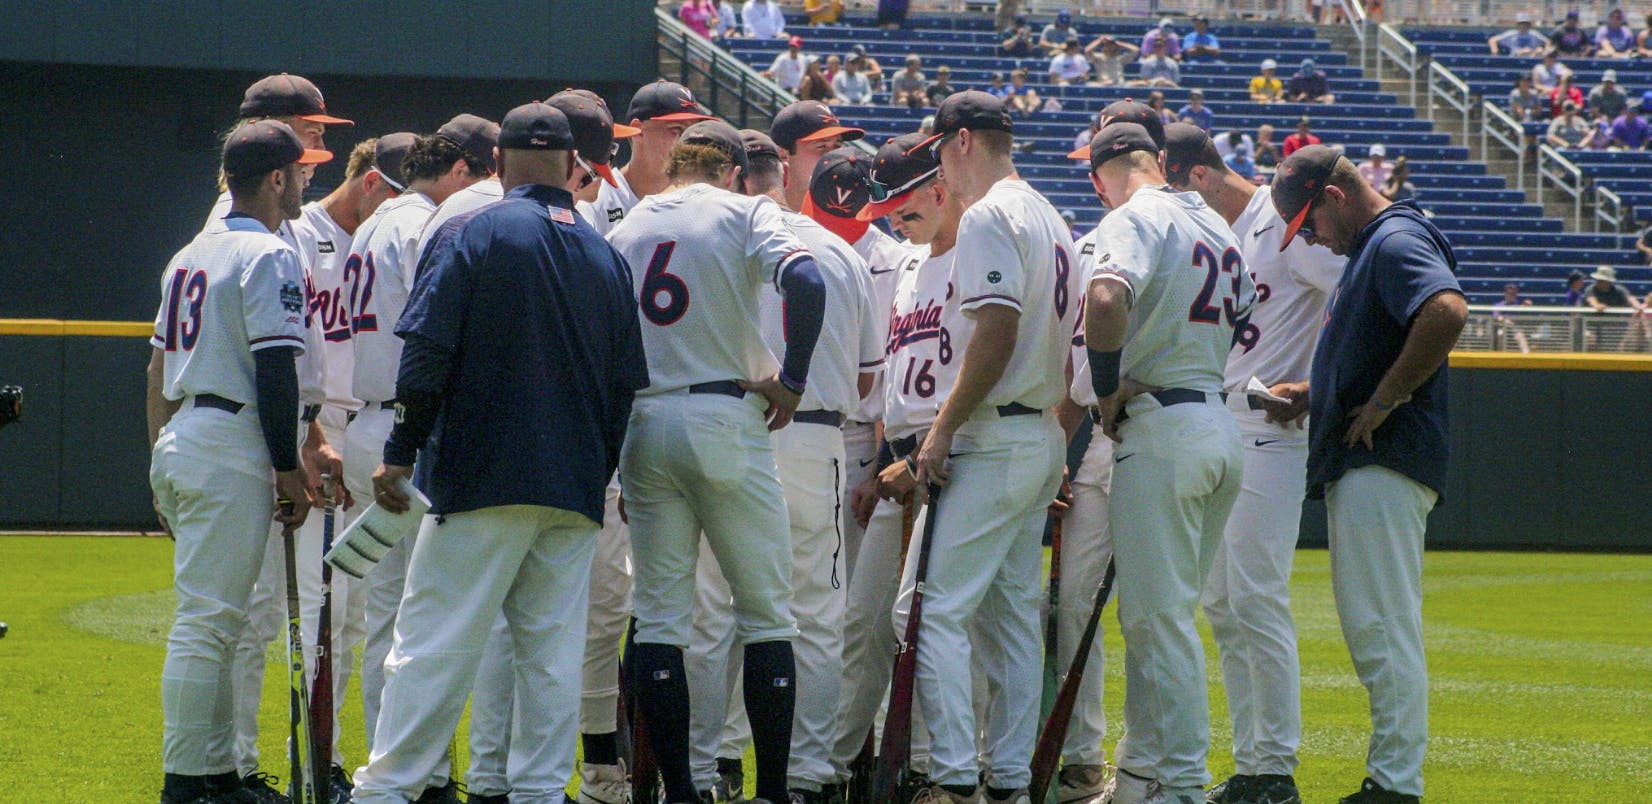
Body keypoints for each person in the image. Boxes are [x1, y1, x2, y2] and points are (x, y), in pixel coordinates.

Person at [347, 102, 647, 804]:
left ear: (501, 165)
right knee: (549, 658)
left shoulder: (472, 229)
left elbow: (426, 349)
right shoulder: (606, 254)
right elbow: (625, 387)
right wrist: (594, 471)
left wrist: (399, 450)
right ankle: (539, 794)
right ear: (575, 168)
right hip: (571, 490)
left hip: (479, 475)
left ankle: (384, 792)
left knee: (431, 644)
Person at [607, 119, 827, 804]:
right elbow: (808, 280)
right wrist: (792, 380)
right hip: (724, 414)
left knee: (663, 619)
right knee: (766, 614)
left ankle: (680, 792)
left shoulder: (627, 226)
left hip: (644, 420)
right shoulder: (747, 208)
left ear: (674, 165)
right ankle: (774, 793)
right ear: (732, 169)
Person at [1267, 144, 1467, 804]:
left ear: (1331, 198)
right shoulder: (1374, 247)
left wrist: (1385, 399)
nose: (1315, 242)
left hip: (1384, 459)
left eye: (1311, 225)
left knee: (1381, 628)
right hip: (1370, 462)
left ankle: (1394, 786)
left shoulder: (1393, 238)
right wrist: (1315, 393)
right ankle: (1392, 781)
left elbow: (1444, 310)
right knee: (1377, 626)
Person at [687, 143, 879, 804]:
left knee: (711, 610)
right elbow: (868, 377)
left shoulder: (713, 242)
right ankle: (804, 775)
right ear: (788, 181)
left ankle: (709, 767)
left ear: (737, 182)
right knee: (814, 615)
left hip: (727, 432)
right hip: (815, 438)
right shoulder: (844, 256)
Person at [908, 90, 1082, 803]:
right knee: (1010, 615)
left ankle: (951, 775)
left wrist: (942, 427)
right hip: (1039, 429)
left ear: (964, 141)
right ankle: (1008, 778)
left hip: (996, 432)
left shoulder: (987, 214)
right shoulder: (1053, 216)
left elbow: (997, 331)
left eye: (938, 148)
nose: (938, 164)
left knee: (931, 610)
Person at [1161, 123, 1343, 804]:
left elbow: (1360, 291)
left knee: (1258, 597)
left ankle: (1276, 769)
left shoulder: (1286, 224)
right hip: (1220, 418)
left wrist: (1323, 385)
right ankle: (1251, 764)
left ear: (1198, 176)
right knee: (1223, 603)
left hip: (1269, 426)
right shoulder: (1219, 234)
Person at [149, 119, 327, 804]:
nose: (307, 179)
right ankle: (183, 783)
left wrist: (157, 459)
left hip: (188, 432)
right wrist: (289, 467)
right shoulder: (270, 253)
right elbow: (276, 367)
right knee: (207, 625)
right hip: (230, 440)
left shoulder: (190, 251)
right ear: (276, 177)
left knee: (216, 625)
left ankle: (217, 776)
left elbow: (155, 367)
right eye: (301, 169)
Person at [1079, 121, 1254, 804]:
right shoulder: (1217, 222)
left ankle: (1179, 784)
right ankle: (1147, 779)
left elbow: (1105, 295)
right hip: (1217, 419)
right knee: (1167, 615)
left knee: (1158, 622)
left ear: (1103, 175)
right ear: (1157, 158)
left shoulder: (1137, 214)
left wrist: (1103, 387)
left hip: (1162, 427)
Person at [198, 72, 353, 804]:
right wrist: (285, 457)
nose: (319, 142)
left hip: (278, 427)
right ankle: (229, 767)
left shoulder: (285, 225)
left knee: (284, 614)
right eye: (306, 129)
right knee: (245, 616)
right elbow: (257, 357)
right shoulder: (232, 230)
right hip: (244, 430)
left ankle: (250, 764)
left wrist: (313, 432)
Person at [344, 115, 497, 801]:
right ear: (460, 169)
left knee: (387, 619)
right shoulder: (423, 226)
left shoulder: (377, 220)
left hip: (366, 422)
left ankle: (393, 769)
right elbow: (435, 335)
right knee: (430, 617)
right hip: (409, 432)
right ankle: (420, 774)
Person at [831, 132, 951, 796]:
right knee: (867, 621)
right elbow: (895, 384)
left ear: (938, 189)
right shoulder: (906, 267)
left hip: (951, 459)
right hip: (900, 457)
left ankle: (933, 768)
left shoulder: (972, 256)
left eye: (906, 211)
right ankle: (835, 768)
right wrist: (885, 462)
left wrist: (925, 456)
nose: (898, 227)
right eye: (892, 216)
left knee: (928, 624)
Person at [288, 136, 407, 798]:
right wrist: (306, 436)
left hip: (360, 429)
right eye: (393, 192)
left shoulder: (380, 239)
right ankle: (310, 759)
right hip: (316, 433)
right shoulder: (303, 233)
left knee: (359, 613)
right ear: (369, 184)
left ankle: (340, 762)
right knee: (321, 610)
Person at [577, 80, 714, 237]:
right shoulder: (597, 197)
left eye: (692, 132)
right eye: (676, 130)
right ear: (638, 129)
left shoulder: (699, 200)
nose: (687, 142)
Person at [770, 99, 866, 213]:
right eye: (821, 146)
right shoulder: (754, 219)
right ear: (783, 153)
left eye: (837, 145)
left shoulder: (858, 213)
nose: (835, 156)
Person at [1492, 283, 1534, 353]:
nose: (1511, 295)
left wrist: (1527, 305)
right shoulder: (1499, 305)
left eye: (1513, 293)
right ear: (1505, 294)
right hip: (1503, 327)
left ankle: (1527, 357)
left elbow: (1527, 306)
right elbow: (1496, 316)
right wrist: (1505, 320)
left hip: (1516, 329)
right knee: (1500, 334)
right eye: (1509, 293)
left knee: (1520, 336)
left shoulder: (1518, 304)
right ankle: (1499, 357)